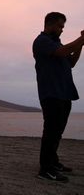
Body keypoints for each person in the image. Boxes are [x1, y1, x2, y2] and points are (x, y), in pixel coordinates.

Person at [33, 12, 84, 182]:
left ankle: (53, 163)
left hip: (64, 94)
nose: (62, 30)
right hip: (51, 94)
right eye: (60, 26)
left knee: (57, 132)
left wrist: (81, 45)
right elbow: (63, 52)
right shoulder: (42, 42)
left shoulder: (56, 43)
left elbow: (71, 62)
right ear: (49, 24)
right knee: (51, 132)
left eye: (63, 27)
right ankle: (45, 170)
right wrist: (81, 39)